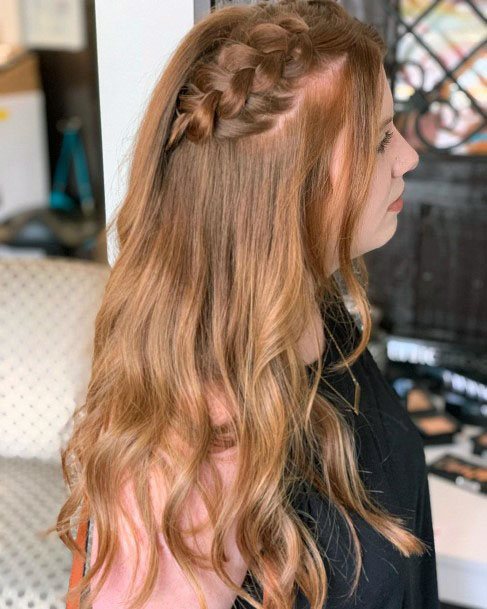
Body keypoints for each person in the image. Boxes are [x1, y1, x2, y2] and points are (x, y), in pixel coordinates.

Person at [53, 1, 440, 608]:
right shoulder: (197, 449)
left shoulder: (314, 315)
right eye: (379, 140)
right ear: (289, 194)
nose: (408, 158)